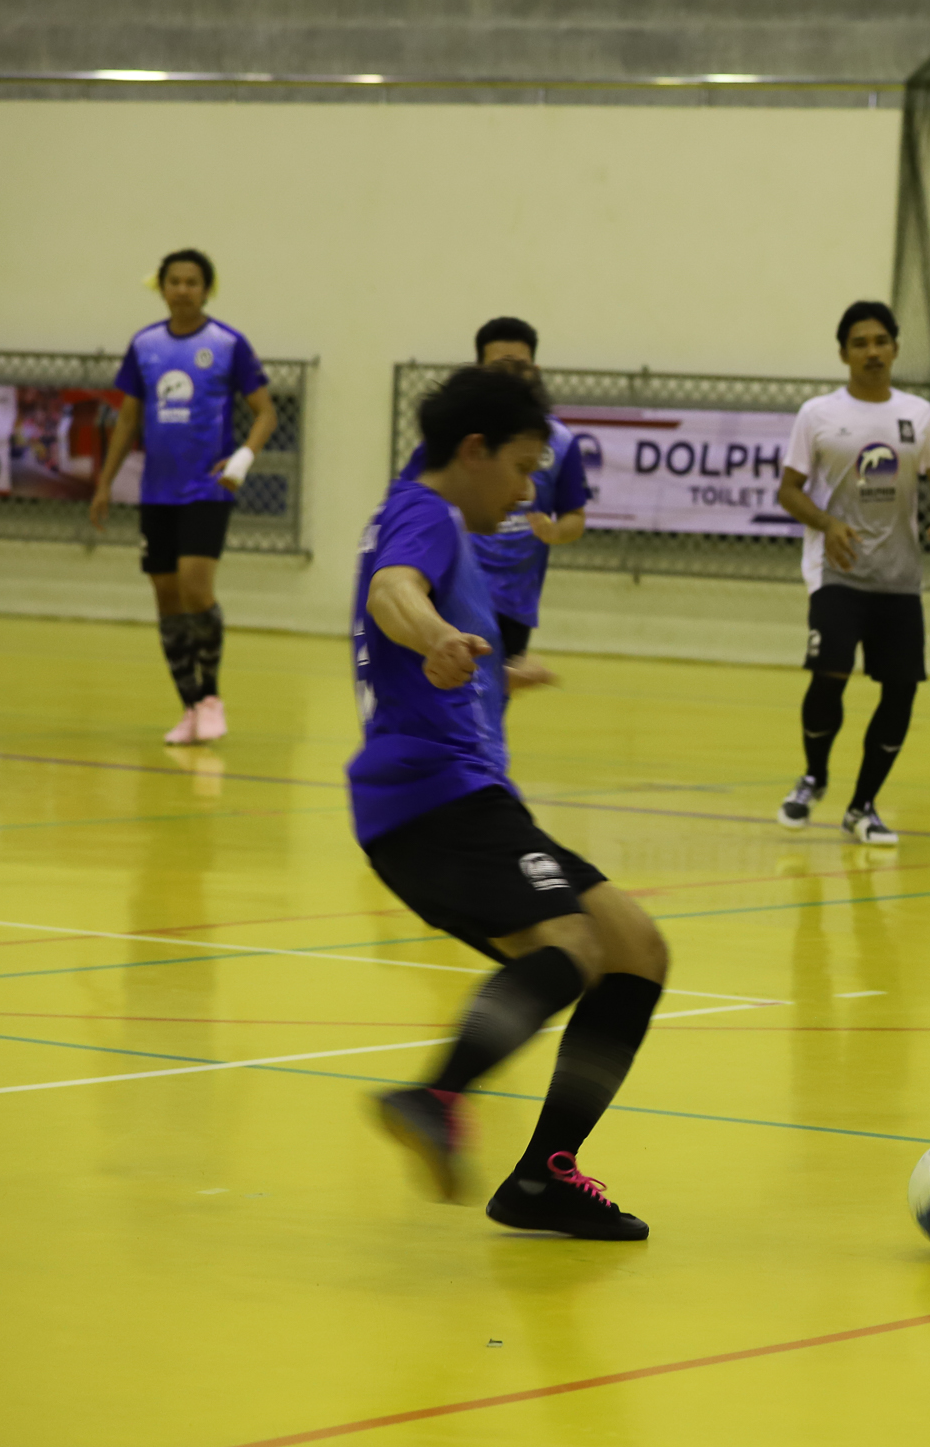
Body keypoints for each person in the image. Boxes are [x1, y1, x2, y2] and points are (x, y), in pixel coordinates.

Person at [355, 364, 669, 1241]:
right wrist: (437, 636)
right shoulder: (426, 514)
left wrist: (493, 679)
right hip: (436, 801)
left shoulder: (426, 512)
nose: (530, 491)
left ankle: (542, 1178)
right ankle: (436, 1095)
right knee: (570, 944)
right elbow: (392, 592)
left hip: (460, 798)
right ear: (474, 450)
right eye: (524, 467)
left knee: (635, 950)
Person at [773, 301, 930, 846]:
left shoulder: (918, 414)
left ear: (895, 348)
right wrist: (827, 523)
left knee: (901, 690)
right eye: (860, 343)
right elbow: (788, 490)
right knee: (829, 672)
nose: (872, 351)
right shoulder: (817, 414)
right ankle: (813, 776)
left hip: (899, 576)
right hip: (838, 572)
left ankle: (863, 807)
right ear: (843, 354)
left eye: (880, 341)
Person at [89, 248, 278, 745]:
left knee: (196, 589)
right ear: (162, 287)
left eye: (192, 282)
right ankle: (190, 706)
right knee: (167, 599)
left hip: (206, 490)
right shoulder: (145, 345)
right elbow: (128, 419)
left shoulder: (227, 344)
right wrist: (105, 483)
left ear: (206, 289)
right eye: (174, 281)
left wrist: (241, 460)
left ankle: (212, 697)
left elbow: (266, 412)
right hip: (157, 493)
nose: (183, 290)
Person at [400, 317, 589, 673]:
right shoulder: (451, 439)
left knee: (487, 696)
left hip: (513, 600)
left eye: (520, 367)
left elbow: (575, 517)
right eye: (500, 368)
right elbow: (407, 509)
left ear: (535, 371)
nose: (522, 490)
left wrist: (554, 531)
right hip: (452, 587)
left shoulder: (560, 442)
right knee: (446, 684)